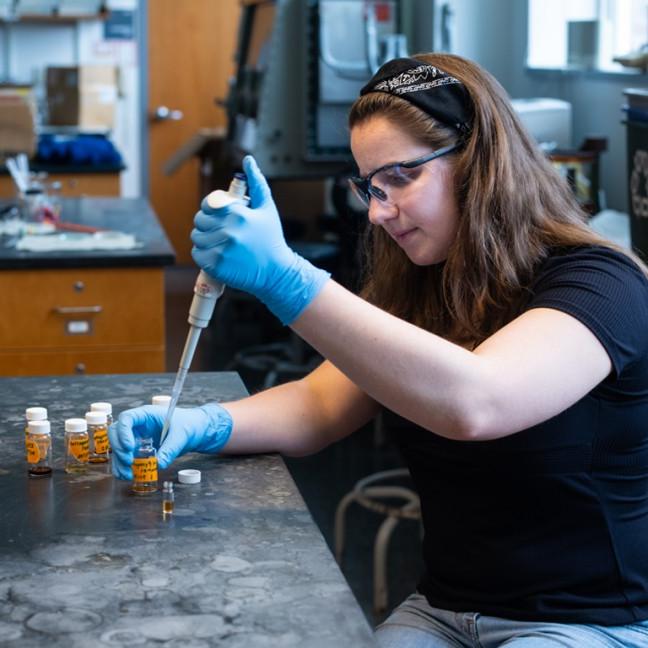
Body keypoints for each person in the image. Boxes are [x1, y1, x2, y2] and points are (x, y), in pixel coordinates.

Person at [109, 53, 648, 647]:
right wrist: (202, 423)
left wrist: (286, 278)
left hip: (588, 622)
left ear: (477, 162)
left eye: (400, 178)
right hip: (446, 610)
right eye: (370, 185)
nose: (377, 209)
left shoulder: (603, 284)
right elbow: (320, 404)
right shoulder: (423, 280)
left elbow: (478, 401)